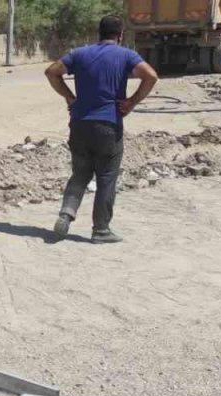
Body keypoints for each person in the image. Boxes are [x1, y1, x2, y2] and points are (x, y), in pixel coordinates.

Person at [44, 15, 158, 244]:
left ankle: (66, 213)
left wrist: (69, 97)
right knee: (106, 177)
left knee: (80, 173)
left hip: (79, 125)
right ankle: (101, 230)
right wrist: (132, 102)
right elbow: (151, 75)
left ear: (99, 33)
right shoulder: (126, 55)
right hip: (108, 125)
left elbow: (51, 71)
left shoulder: (79, 53)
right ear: (120, 35)